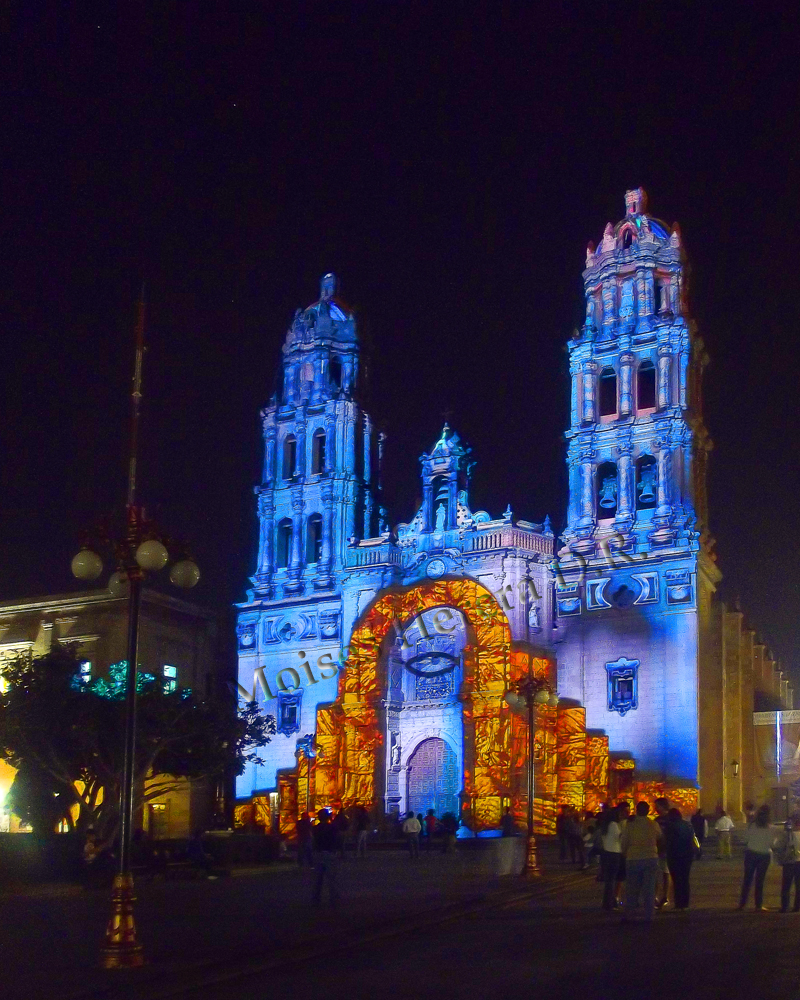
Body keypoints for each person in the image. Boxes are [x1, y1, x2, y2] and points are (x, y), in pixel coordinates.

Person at [620, 800, 663, 922]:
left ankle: (629, 914)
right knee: (649, 889)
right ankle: (649, 915)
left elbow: (624, 842)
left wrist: (624, 854)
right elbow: (660, 837)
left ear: (637, 810)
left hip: (633, 857)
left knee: (632, 888)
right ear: (648, 811)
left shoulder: (630, 824)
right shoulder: (653, 824)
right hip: (650, 857)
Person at [738, 804, 773, 911]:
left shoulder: (751, 826)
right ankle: (758, 905)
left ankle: (742, 904)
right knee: (760, 881)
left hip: (751, 854)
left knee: (747, 880)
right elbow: (772, 843)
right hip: (764, 855)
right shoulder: (770, 828)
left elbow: (745, 840)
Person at [664, 808, 697, 910]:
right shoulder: (688, 825)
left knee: (676, 880)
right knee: (685, 879)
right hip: (687, 855)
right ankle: (685, 903)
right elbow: (692, 838)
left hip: (675, 855)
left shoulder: (671, 826)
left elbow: (668, 841)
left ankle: (678, 903)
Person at [600, 802, 628, 911]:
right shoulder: (614, 825)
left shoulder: (605, 826)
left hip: (606, 853)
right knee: (612, 880)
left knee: (609, 880)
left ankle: (607, 903)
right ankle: (609, 904)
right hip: (614, 853)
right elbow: (621, 838)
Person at [312, 809, 340, 907]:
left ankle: (316, 897)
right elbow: (336, 839)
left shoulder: (315, 829)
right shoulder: (333, 828)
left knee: (318, 878)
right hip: (329, 853)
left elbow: (314, 841)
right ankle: (333, 898)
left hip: (319, 852)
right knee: (331, 878)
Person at [775, 813, 800, 913]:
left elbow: (779, 846)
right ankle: (797, 906)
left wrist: (780, 859)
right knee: (799, 886)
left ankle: (784, 906)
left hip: (789, 862)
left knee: (786, 885)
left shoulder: (787, 835)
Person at [654, 797, 671, 908]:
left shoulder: (669, 819)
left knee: (665, 874)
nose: (655, 808)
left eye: (657, 806)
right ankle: (655, 895)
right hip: (657, 850)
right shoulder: (657, 820)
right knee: (657, 874)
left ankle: (665, 896)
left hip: (666, 850)